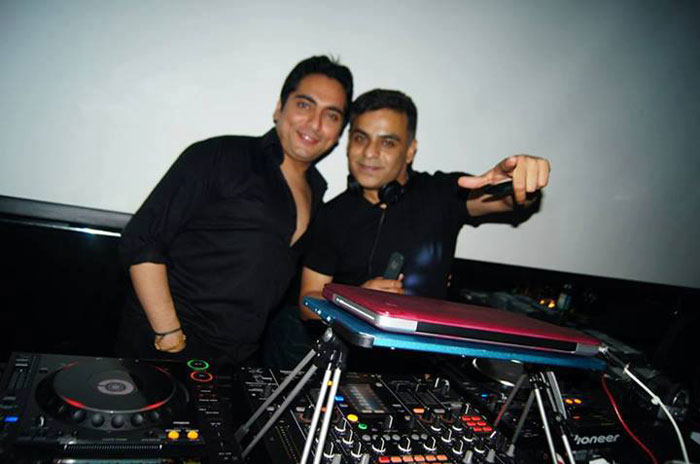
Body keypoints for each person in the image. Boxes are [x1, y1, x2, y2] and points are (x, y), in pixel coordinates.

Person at [115, 56, 353, 370]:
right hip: (166, 350)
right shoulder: (219, 155)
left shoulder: (319, 195)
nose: (315, 123)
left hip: (238, 361)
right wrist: (169, 334)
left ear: (338, 132)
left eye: (331, 115)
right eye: (304, 105)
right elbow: (142, 240)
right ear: (279, 108)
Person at [299, 89, 550, 320]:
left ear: (410, 151)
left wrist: (521, 182)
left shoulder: (442, 193)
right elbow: (307, 301)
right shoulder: (332, 215)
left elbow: (507, 201)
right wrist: (353, 301)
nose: (369, 152)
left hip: (425, 352)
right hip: (350, 352)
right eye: (360, 138)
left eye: (387, 142)